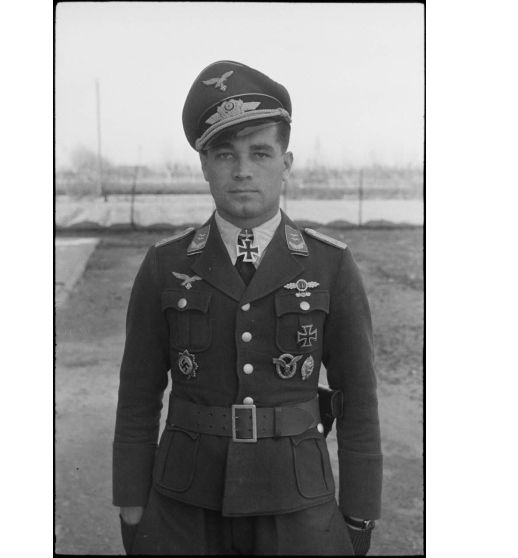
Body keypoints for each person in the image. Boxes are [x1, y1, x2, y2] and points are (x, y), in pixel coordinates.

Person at [113, 60, 382, 555]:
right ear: (204, 165)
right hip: (183, 503)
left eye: (260, 153)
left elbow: (360, 400)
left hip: (298, 503)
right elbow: (137, 394)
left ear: (287, 163)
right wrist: (132, 502)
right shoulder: (164, 265)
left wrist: (360, 511)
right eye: (223, 154)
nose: (241, 171)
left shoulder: (331, 265)